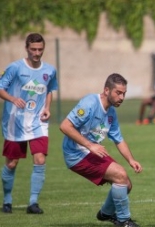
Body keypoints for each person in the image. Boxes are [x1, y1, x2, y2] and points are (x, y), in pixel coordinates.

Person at [60, 73, 142, 227]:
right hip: (76, 154)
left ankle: (106, 213)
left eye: (124, 93)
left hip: (90, 153)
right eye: (118, 93)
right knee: (120, 175)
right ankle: (124, 221)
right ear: (106, 90)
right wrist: (90, 145)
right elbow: (65, 126)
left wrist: (131, 160)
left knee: (126, 185)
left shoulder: (111, 113)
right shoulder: (89, 103)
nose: (122, 97)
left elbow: (119, 139)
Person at [0, 33, 58, 214]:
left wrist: (47, 107)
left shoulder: (49, 70)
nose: (37, 53)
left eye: (40, 49)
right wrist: (13, 99)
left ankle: (33, 203)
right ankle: (7, 200)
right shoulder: (14, 68)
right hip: (15, 122)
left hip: (38, 122)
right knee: (12, 163)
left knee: (40, 159)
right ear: (26, 48)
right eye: (33, 49)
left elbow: (49, 90)